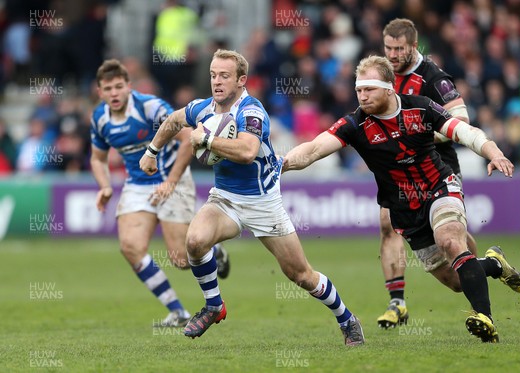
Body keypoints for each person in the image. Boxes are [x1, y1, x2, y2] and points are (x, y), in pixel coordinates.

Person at [283, 55, 520, 342]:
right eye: (359, 90)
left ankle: (484, 318)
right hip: (404, 210)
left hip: (439, 187)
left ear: (388, 87)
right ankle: (495, 264)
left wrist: (493, 151)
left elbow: (463, 131)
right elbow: (312, 149)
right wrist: (280, 164)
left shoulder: (420, 108)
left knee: (450, 239)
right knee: (456, 281)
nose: (362, 96)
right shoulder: (355, 124)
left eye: (369, 89)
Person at [139, 49, 364, 346]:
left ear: (241, 80)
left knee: (301, 275)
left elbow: (246, 152)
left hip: (263, 202)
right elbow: (174, 120)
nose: (216, 82)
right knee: (194, 241)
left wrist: (206, 139)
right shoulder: (204, 107)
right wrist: (152, 151)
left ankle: (347, 319)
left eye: (224, 76)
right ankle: (214, 306)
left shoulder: (252, 112)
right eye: (213, 75)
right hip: (225, 199)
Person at [90, 59, 230, 327]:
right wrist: (105, 186)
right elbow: (98, 159)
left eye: (119, 86)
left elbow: (188, 139)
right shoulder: (99, 118)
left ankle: (214, 248)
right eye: (108, 89)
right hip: (138, 185)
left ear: (129, 86)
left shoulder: (150, 107)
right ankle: (178, 312)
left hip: (171, 178)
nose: (114, 93)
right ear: (100, 92)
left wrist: (171, 182)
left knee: (180, 259)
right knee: (130, 247)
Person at [375, 18, 482, 329]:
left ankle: (485, 266)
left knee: (452, 255)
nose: (392, 55)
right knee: (387, 223)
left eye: (399, 49)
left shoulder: (433, 77)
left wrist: (422, 133)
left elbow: (461, 118)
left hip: (436, 164)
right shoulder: (382, 74)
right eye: (388, 48)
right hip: (396, 169)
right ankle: (397, 302)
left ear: (413, 46)